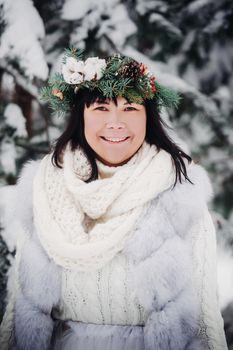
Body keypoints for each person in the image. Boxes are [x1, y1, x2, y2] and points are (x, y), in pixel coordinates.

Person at [0, 49, 228, 350]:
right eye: (101, 108)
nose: (116, 123)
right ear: (81, 117)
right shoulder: (44, 191)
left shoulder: (178, 198)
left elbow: (204, 319)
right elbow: (19, 308)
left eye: (131, 109)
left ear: (149, 118)